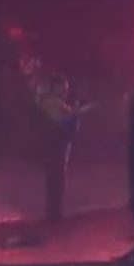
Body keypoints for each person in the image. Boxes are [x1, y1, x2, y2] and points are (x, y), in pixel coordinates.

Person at [34, 73, 93, 221]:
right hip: (55, 144)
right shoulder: (51, 102)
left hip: (59, 143)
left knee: (57, 178)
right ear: (56, 87)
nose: (66, 91)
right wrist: (77, 111)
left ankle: (54, 211)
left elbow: (67, 115)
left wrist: (76, 112)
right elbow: (62, 118)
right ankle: (53, 213)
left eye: (67, 88)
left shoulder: (56, 102)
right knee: (55, 178)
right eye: (63, 88)